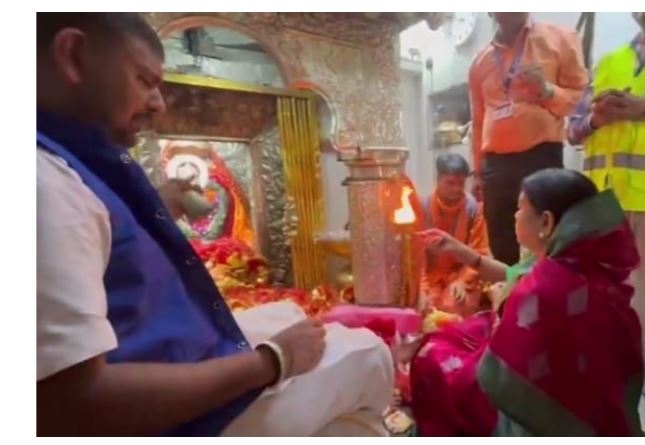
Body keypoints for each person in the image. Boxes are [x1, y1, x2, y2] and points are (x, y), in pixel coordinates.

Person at [36, 13, 393, 436]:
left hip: (159, 351)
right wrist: (273, 360)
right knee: (369, 351)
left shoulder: (68, 163)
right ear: (73, 55)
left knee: (288, 313)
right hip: (161, 417)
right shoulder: (42, 183)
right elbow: (70, 405)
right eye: (144, 80)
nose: (158, 103)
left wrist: (157, 207)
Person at [406, 169, 644, 436]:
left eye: (520, 209)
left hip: (533, 407)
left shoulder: (545, 286)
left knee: (432, 359)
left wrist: (501, 301)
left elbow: (502, 361)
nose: (515, 216)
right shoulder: (578, 261)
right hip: (594, 395)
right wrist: (459, 251)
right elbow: (513, 274)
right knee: (454, 331)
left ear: (546, 222)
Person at [567, 12, 645, 437]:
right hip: (605, 200)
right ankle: (605, 390)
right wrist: (595, 120)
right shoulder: (609, 61)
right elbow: (572, 129)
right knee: (601, 300)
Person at [469, 12, 588, 266]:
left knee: (550, 241)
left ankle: (549, 290)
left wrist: (546, 90)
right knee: (501, 244)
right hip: (495, 166)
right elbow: (478, 120)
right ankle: (510, 292)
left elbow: (582, 102)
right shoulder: (479, 62)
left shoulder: (561, 39)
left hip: (541, 155)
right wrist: (477, 171)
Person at [418, 153, 489, 315]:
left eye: (461, 184)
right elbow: (415, 254)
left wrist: (463, 280)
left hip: (461, 276)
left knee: (454, 306)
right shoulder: (422, 207)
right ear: (438, 179)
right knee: (423, 309)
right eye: (450, 183)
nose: (456, 189)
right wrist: (421, 288)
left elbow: (479, 252)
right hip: (429, 277)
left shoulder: (474, 209)